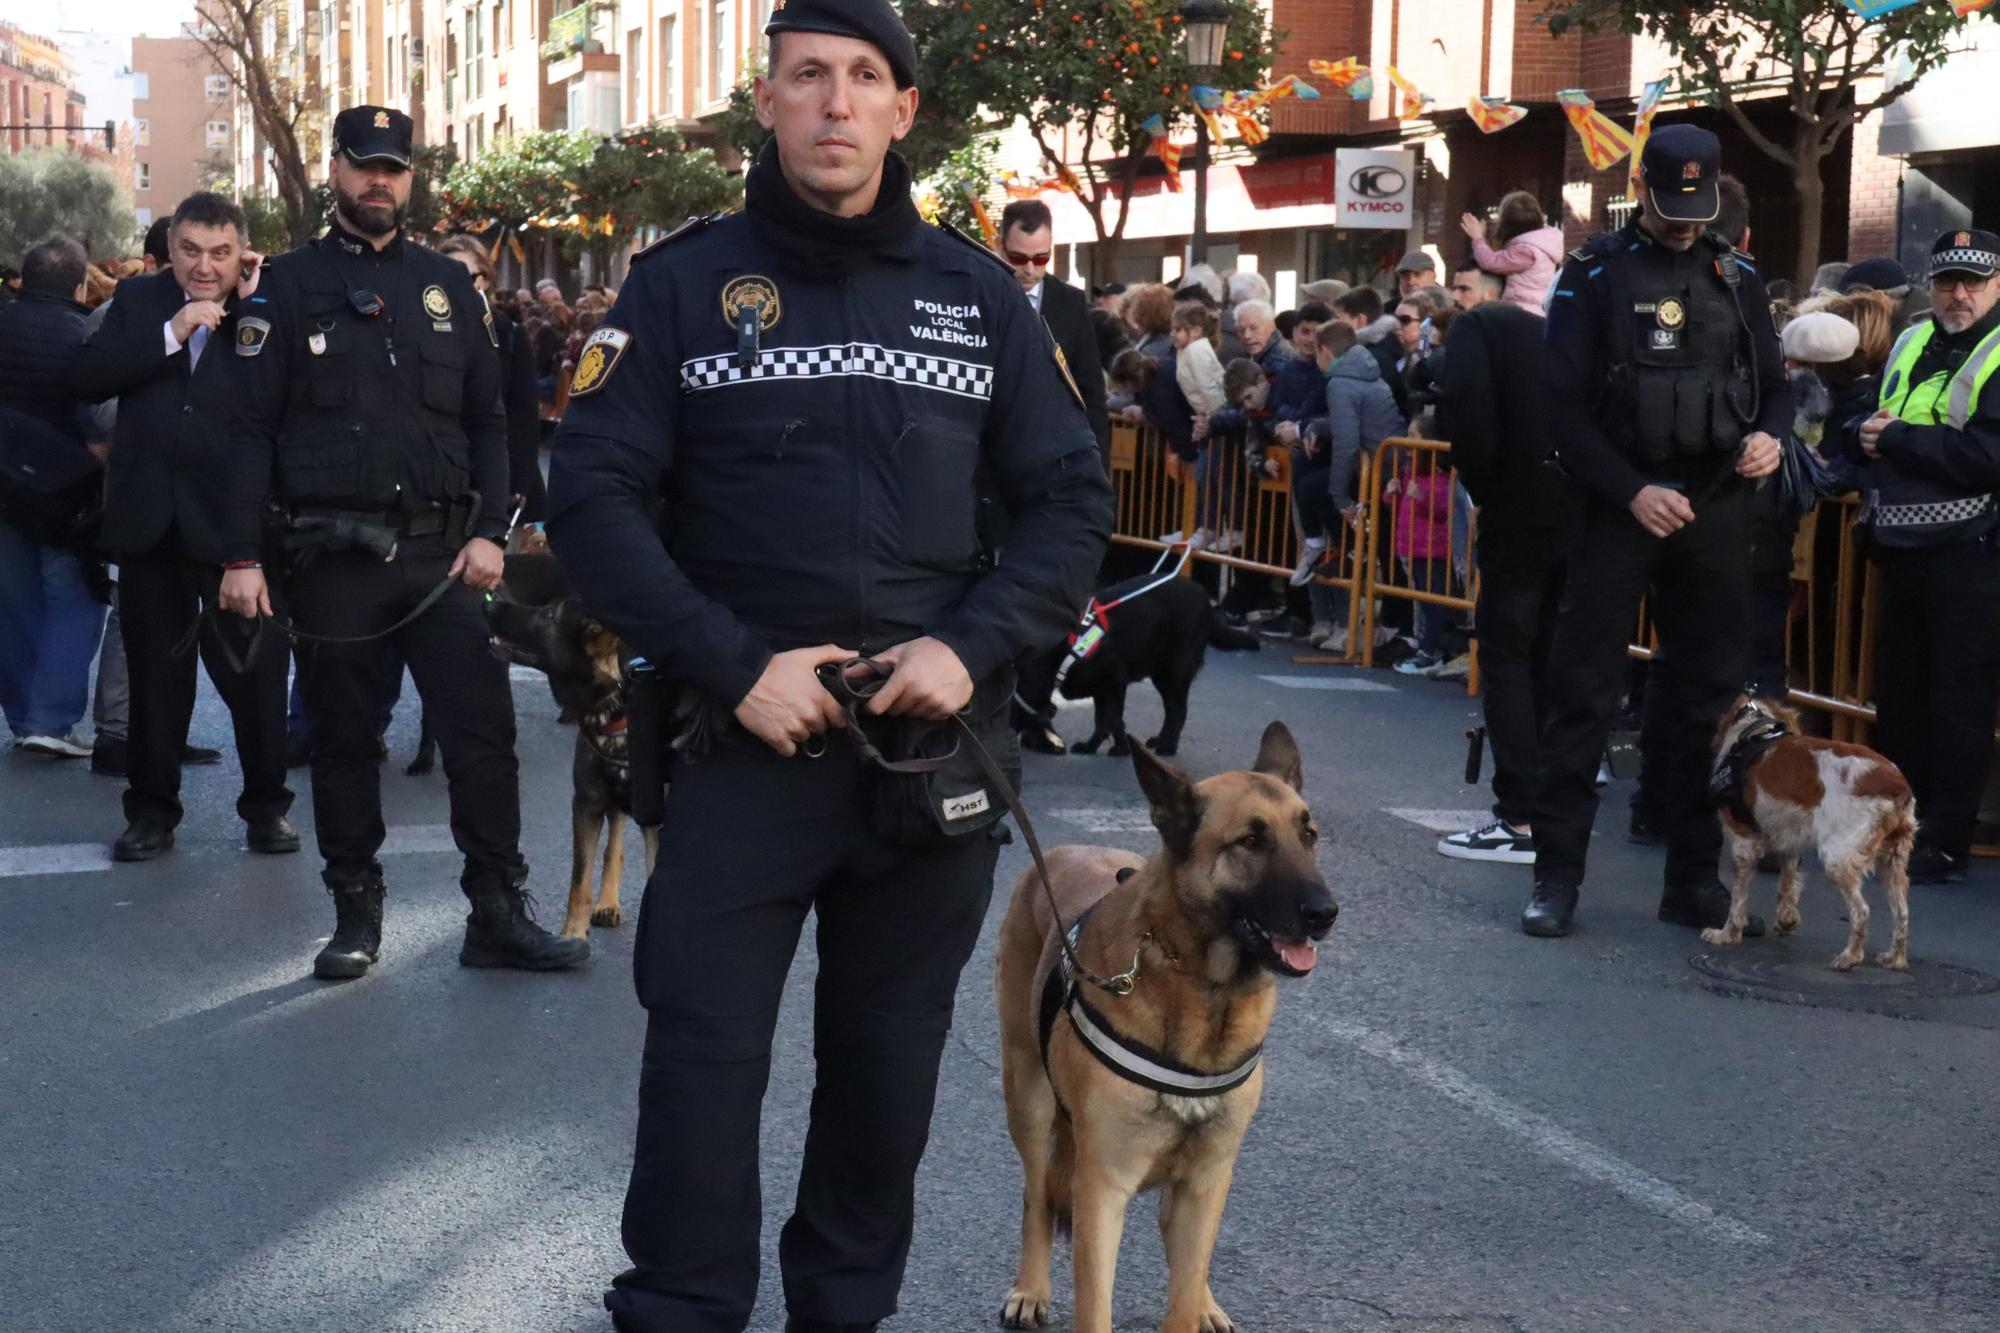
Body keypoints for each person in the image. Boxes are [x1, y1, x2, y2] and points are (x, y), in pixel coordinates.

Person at [543, 4, 1114, 1328]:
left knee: (883, 1080)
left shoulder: (980, 294)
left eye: (866, 78)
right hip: (742, 748)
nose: (837, 103)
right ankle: (681, 1309)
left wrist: (969, 651)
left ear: (906, 112)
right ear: (770, 100)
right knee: (699, 1069)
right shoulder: (680, 286)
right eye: (809, 76)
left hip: (928, 764)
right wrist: (733, 662)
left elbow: (1070, 503)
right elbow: (592, 498)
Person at [216, 105, 587, 980]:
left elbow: (493, 419)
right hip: (334, 560)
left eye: (393, 167)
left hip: (445, 557)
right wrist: (241, 557)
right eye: (363, 165)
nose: (378, 181)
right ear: (335, 171)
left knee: (483, 737)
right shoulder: (286, 287)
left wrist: (494, 531)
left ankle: (496, 913)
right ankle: (355, 912)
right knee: (346, 744)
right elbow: (246, 432)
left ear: (410, 178)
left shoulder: (449, 287)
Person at [1521, 123, 1790, 938]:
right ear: (1642, 188)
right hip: (1619, 504)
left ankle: (1691, 879)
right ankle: (1556, 878)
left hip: (1713, 503)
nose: (1683, 222)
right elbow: (1559, 407)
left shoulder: (1735, 274)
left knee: (1708, 702)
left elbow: (1774, 385)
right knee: (1584, 692)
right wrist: (1631, 489)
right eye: (1672, 205)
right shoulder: (1595, 274)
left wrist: (1769, 436)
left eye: (1697, 205)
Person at [74, 191, 297, 862]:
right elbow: (87, 377)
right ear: (169, 251)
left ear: (242, 252)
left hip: (239, 530)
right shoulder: (140, 304)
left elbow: (286, 400)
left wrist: (254, 303)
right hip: (150, 527)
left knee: (256, 677)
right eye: (192, 251)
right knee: (155, 683)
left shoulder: (266, 306)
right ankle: (151, 812)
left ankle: (266, 809)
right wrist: (171, 334)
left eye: (221, 254)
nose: (205, 267)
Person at [1849, 228, 2000, 885]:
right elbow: (1874, 417)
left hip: (1972, 551)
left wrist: (1899, 440)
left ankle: (1943, 841)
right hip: (1902, 545)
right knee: (1901, 696)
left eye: (1973, 282)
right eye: (1947, 282)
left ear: (1997, 285)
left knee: (1957, 700)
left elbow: (1986, 458)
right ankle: (1897, 827)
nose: (1959, 294)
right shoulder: (1911, 338)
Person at [0, 236, 108, 758]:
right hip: (64, 496)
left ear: (23, 279)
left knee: (15, 605)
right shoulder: (82, 335)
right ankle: (52, 719)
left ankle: (25, 719)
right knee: (75, 600)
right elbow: (94, 426)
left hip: (3, 490)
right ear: (80, 285)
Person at [437, 234, 546, 526]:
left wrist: (519, 482)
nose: (456, 285)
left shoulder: (507, 332)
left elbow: (523, 412)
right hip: (441, 482)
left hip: (500, 477)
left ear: (485, 279)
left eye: (467, 276)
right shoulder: (425, 332)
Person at [995, 198, 1109, 454]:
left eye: (1041, 258)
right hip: (992, 455)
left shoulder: (1071, 302)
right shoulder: (982, 296)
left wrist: (1098, 470)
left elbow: (1090, 392)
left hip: (1054, 453)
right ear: (1000, 246)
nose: (1029, 269)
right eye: (1017, 257)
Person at [1460, 191, 1565, 315]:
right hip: (1536, 309)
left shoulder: (1526, 251)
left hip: (1523, 311)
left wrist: (1477, 238)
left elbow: (1490, 262)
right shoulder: (1541, 243)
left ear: (1507, 223)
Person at [1332, 287, 1411, 420]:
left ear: (1360, 320)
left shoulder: (1370, 358)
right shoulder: (1384, 349)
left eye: (1339, 321)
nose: (1333, 328)